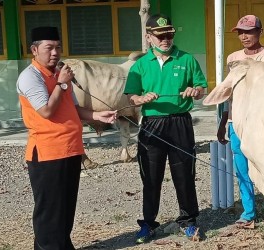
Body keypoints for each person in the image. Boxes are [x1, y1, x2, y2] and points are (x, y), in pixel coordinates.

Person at [16, 26, 117, 250]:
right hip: (47, 152)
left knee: (65, 206)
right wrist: (62, 83)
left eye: (58, 47)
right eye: (49, 48)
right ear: (34, 50)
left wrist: (97, 115)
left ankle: (63, 244)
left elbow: (71, 107)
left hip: (71, 149)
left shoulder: (58, 75)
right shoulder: (30, 77)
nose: (55, 52)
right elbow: (47, 111)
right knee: (49, 209)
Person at [124, 14, 208, 244]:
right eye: (160, 35)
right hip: (152, 124)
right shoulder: (140, 65)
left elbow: (201, 87)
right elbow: (130, 97)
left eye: (169, 34)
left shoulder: (187, 59)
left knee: (184, 174)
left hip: (180, 122)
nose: (165, 39)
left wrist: (195, 91)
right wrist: (140, 98)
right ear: (148, 37)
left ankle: (189, 221)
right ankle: (149, 223)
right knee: (151, 176)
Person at [217, 14, 264, 229]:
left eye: (249, 31)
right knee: (241, 168)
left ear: (260, 32)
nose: (245, 36)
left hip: (261, 121)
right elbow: (231, 91)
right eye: (241, 32)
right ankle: (248, 213)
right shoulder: (232, 57)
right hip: (236, 121)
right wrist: (223, 120)